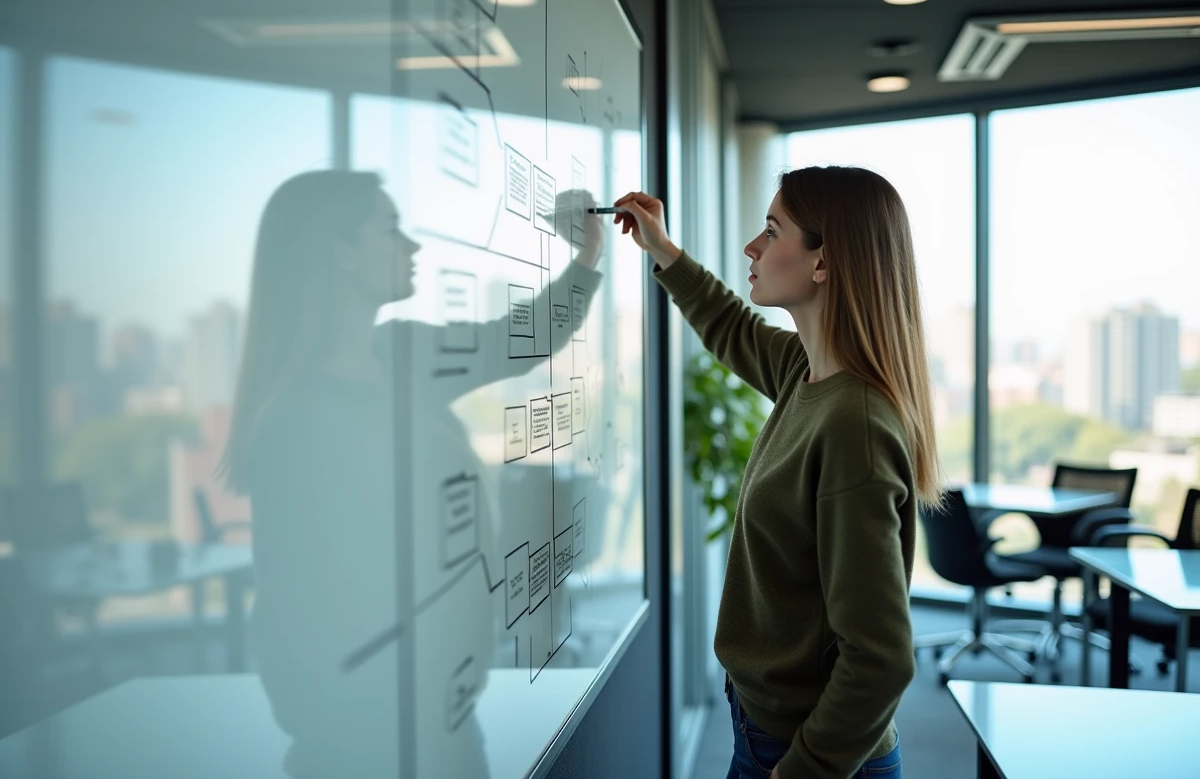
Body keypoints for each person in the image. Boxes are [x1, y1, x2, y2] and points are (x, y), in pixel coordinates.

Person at [221, 170, 603, 778]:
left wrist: (586, 254)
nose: (413, 246)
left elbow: (521, 339)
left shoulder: (402, 355)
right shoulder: (296, 424)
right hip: (365, 747)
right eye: (391, 228)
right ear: (341, 252)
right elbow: (293, 614)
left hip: (447, 724)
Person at [611, 167, 942, 779]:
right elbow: (730, 326)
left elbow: (880, 659)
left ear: (823, 261)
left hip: (809, 756)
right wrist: (660, 248)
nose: (752, 248)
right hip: (763, 732)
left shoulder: (854, 426)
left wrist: (803, 770)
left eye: (771, 230)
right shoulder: (805, 371)